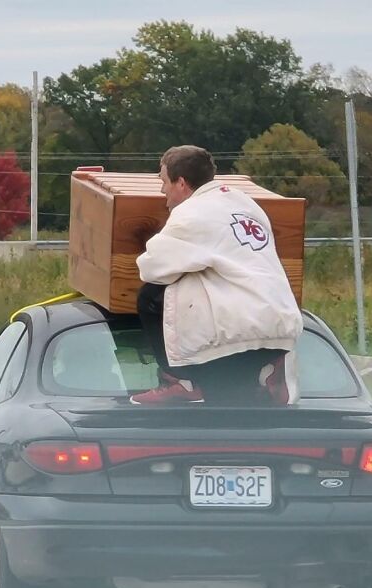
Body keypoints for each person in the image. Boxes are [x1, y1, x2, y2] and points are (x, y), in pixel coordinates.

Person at [130, 145, 303, 406]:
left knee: (152, 295)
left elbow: (151, 267)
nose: (162, 190)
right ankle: (270, 371)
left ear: (181, 183)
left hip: (235, 332)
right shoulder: (245, 203)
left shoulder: (192, 213)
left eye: (164, 181)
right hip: (279, 325)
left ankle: (179, 380)